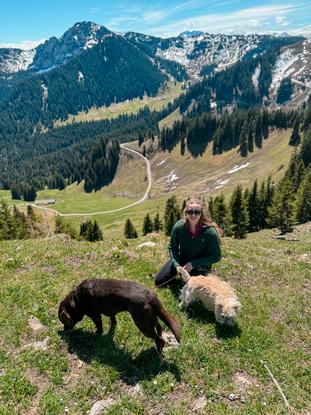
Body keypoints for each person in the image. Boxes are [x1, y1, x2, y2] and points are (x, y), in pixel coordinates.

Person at [155, 198, 222, 287]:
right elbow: (172, 248)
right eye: (190, 212)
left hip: (200, 265)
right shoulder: (179, 227)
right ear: (186, 212)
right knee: (159, 282)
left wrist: (193, 264)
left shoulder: (209, 232)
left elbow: (216, 256)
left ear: (201, 213)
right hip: (181, 261)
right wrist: (177, 265)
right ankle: (180, 274)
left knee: (194, 286)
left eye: (197, 212)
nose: (193, 215)